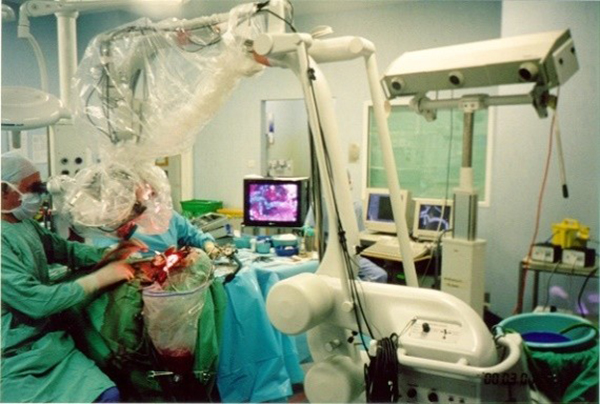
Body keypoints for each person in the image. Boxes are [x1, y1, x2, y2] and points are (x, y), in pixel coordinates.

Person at [1, 151, 145, 403]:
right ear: (3, 190)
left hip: (49, 344)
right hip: (13, 356)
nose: (38, 196)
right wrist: (99, 279)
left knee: (108, 395)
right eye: (32, 189)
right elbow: (36, 302)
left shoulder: (22, 223)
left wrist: (110, 254)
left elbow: (65, 250)